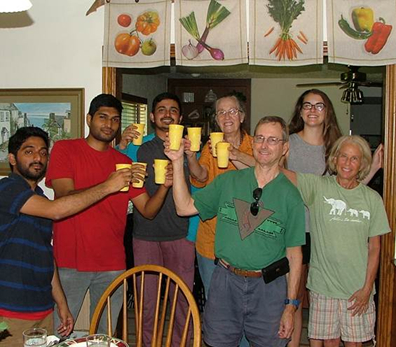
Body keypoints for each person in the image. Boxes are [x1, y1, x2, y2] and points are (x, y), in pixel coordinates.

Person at [166, 116, 306, 347]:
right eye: (260, 138)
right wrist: (177, 160)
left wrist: (290, 306)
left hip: (269, 288)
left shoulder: (290, 196)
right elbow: (183, 208)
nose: (264, 145)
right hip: (224, 282)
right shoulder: (229, 181)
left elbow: (294, 255)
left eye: (272, 140)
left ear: (284, 147)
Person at [45, 94, 171, 334]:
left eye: (115, 119)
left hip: (112, 264)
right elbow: (63, 197)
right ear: (89, 119)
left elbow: (148, 210)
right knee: (59, 334)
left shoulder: (123, 162)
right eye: (103, 117)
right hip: (70, 262)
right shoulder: (65, 150)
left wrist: (164, 186)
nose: (109, 124)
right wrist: (108, 185)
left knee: (105, 336)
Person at [0, 126, 132, 345]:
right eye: (29, 151)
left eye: (43, 152)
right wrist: (108, 186)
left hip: (42, 309)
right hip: (9, 308)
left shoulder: (40, 196)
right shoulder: (7, 188)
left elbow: (46, 255)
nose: (38, 158)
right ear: (12, 158)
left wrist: (61, 303)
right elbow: (57, 210)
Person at [286, 89, 383, 347]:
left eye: (319, 106)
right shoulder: (289, 144)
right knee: (294, 299)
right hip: (297, 231)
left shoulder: (337, 145)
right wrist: (247, 157)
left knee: (349, 336)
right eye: (307, 105)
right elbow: (276, 172)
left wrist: (373, 168)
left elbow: (374, 245)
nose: (313, 110)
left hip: (335, 249)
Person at [131, 92, 195, 347]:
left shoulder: (192, 148)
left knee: (182, 300)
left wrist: (189, 157)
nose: (167, 114)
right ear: (152, 116)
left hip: (180, 234)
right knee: (147, 302)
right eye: (161, 110)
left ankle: (183, 344)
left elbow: (202, 181)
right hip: (145, 235)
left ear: (179, 117)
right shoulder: (142, 150)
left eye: (172, 110)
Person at [187, 92, 255, 299]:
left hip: (247, 237)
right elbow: (201, 177)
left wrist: (236, 154)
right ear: (216, 119)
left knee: (244, 302)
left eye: (232, 111)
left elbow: (270, 172)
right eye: (221, 112)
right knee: (215, 300)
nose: (227, 117)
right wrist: (191, 157)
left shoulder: (256, 145)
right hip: (212, 238)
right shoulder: (210, 147)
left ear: (242, 117)